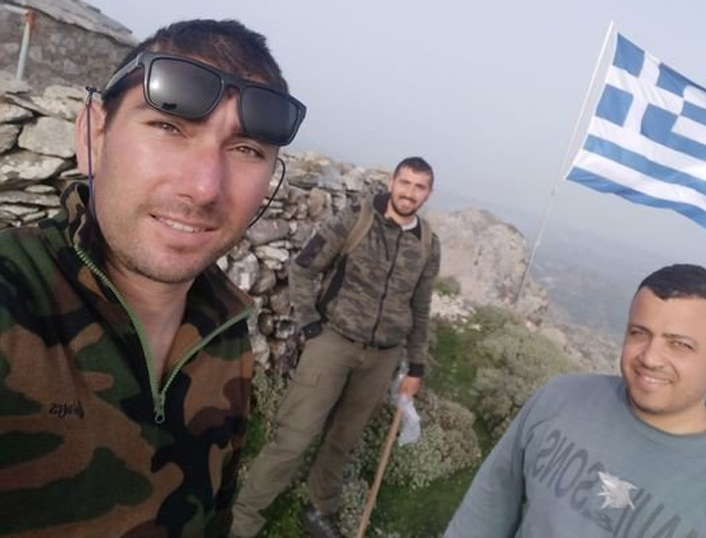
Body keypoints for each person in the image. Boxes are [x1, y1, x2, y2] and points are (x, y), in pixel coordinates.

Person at [0, 19, 305, 537]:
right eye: (168, 127)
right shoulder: (13, 300)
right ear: (94, 134)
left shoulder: (226, 330)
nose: (204, 187)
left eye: (247, 150)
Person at [445, 264, 706, 537]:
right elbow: (487, 507)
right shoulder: (560, 398)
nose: (650, 357)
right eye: (639, 333)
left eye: (679, 344)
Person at [231, 157, 441, 538]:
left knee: (343, 440)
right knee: (293, 437)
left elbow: (421, 307)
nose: (410, 193)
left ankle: (319, 510)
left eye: (419, 187)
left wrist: (416, 367)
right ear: (392, 182)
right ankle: (242, 520)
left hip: (383, 357)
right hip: (333, 343)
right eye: (405, 182)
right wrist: (311, 324)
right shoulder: (356, 218)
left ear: (428, 193)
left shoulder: (427, 243)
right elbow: (304, 267)